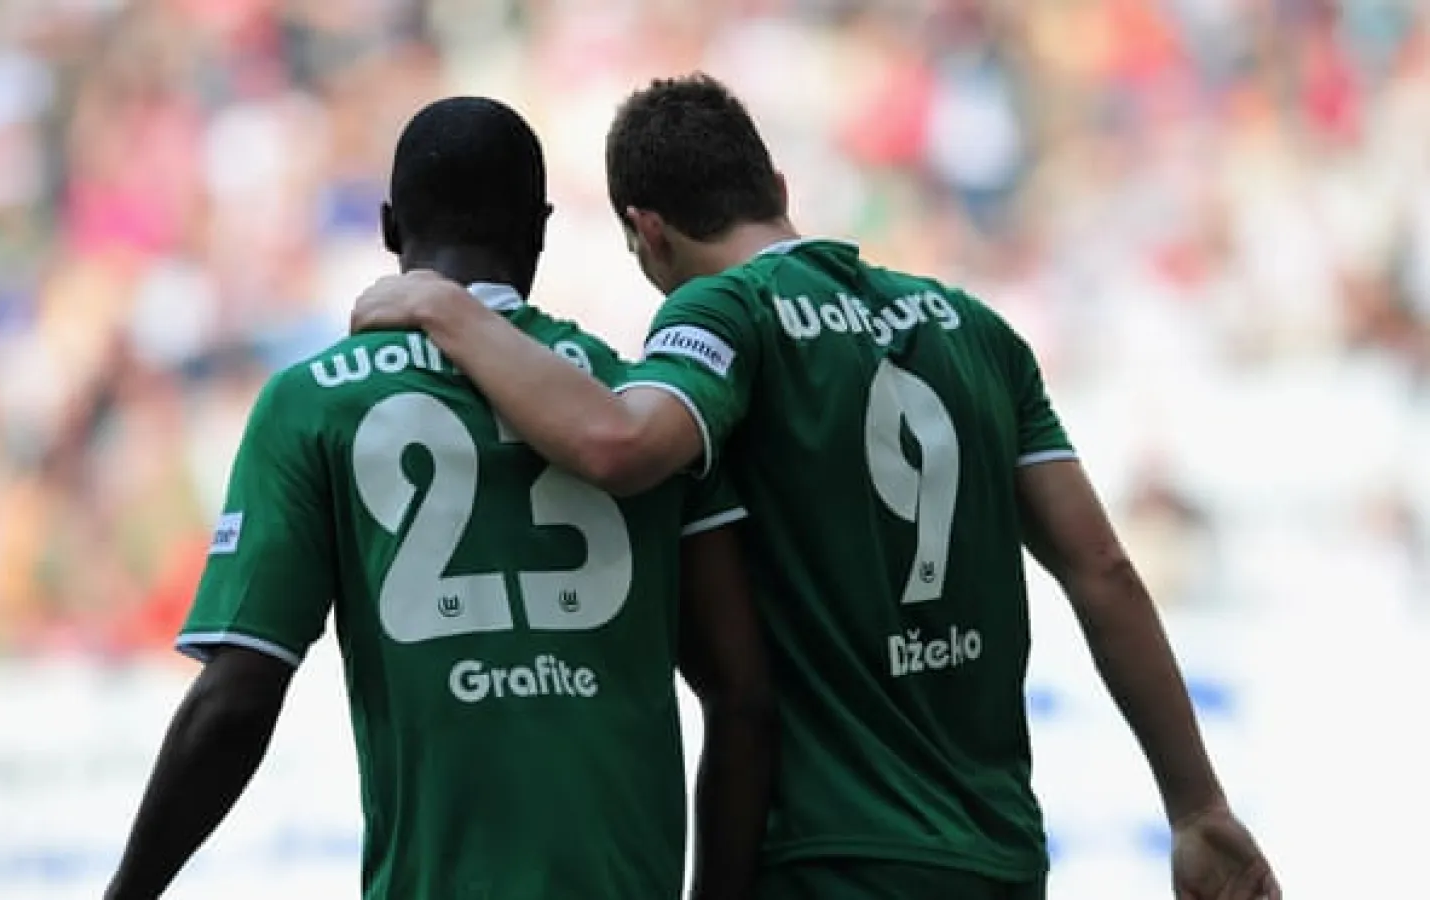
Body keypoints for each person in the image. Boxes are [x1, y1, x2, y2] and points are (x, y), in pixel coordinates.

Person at [349, 75, 1282, 900]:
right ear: (779, 190)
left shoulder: (725, 313)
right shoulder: (975, 328)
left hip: (833, 854)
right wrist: (1196, 806)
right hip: (1000, 854)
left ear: (648, 231)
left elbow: (616, 442)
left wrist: (444, 307)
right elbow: (1104, 572)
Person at [105, 96, 776, 900]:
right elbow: (740, 693)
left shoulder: (312, 404)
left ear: (392, 227)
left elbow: (239, 696)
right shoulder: (644, 405)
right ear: (540, 228)